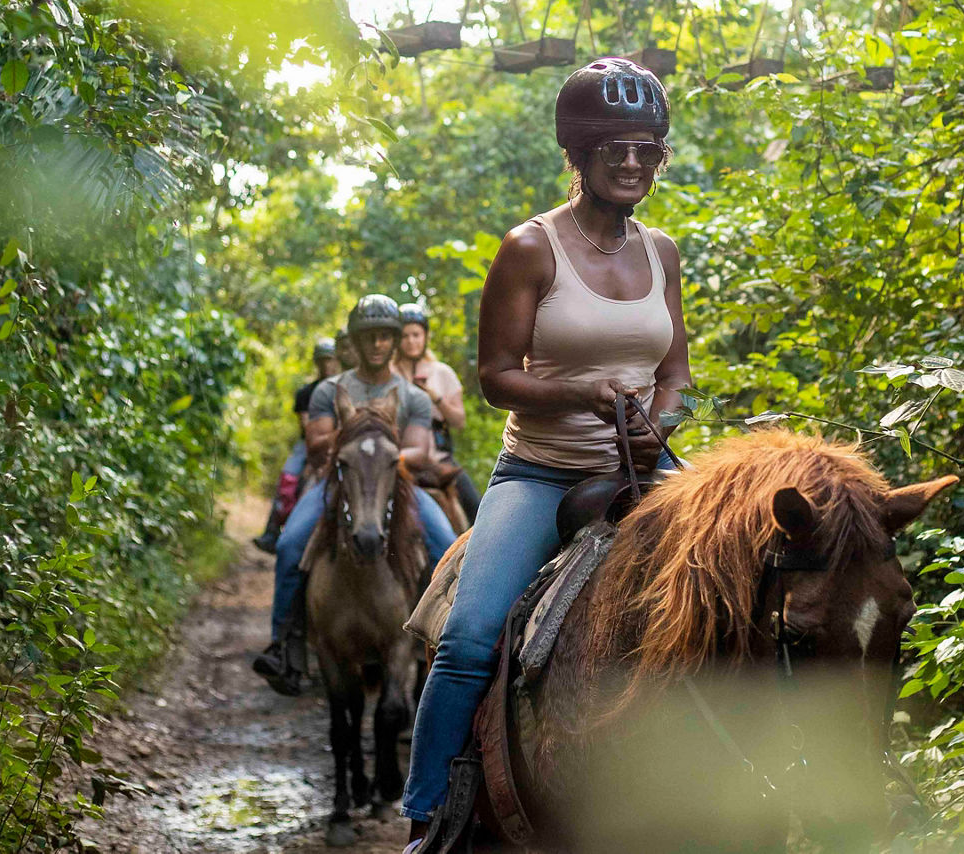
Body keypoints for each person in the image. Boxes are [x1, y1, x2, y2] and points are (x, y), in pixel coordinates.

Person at [402, 57, 692, 849]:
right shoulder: (531, 248)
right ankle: (430, 816)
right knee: (468, 637)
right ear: (578, 156)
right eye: (614, 149)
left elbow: (676, 376)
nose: (633, 163)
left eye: (648, 150)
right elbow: (496, 378)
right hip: (542, 471)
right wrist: (581, 395)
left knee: (749, 582)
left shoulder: (662, 251)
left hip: (647, 468)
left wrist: (661, 421)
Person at [252, 294, 460, 697]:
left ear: (395, 340)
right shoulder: (329, 390)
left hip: (397, 487)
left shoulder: (413, 397)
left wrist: (376, 450)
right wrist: (363, 439)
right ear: (355, 342)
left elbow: (418, 453)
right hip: (336, 486)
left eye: (385, 336)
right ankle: (285, 645)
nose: (378, 344)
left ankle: (449, 648)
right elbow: (315, 444)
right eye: (369, 337)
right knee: (292, 543)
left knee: (448, 550)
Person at [391, 302, 482, 522]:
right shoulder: (389, 375)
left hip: (440, 462)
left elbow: (459, 421)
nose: (411, 341)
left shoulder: (442, 373)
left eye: (416, 335)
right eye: (405, 336)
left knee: (477, 508)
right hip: (400, 460)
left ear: (425, 337)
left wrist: (436, 398)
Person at [251, 337, 339, 554]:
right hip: (309, 444)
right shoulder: (306, 393)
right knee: (288, 478)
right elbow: (307, 425)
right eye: (322, 361)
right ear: (316, 363)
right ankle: (272, 531)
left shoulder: (343, 388)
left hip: (338, 442)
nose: (326, 365)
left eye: (329, 360)